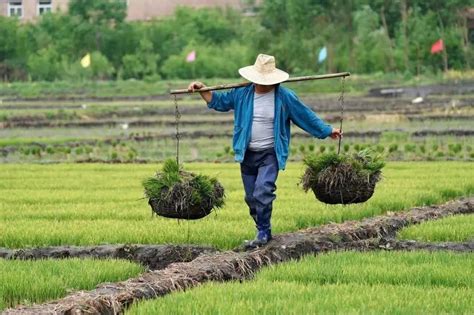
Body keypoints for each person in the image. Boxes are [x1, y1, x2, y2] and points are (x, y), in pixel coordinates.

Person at [188, 54, 342, 248]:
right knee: (251, 197)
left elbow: (305, 116)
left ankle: (262, 233)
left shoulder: (285, 97)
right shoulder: (242, 93)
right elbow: (218, 101)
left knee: (263, 190)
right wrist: (202, 88)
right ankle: (263, 229)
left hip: (270, 154)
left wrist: (327, 130)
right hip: (247, 153)